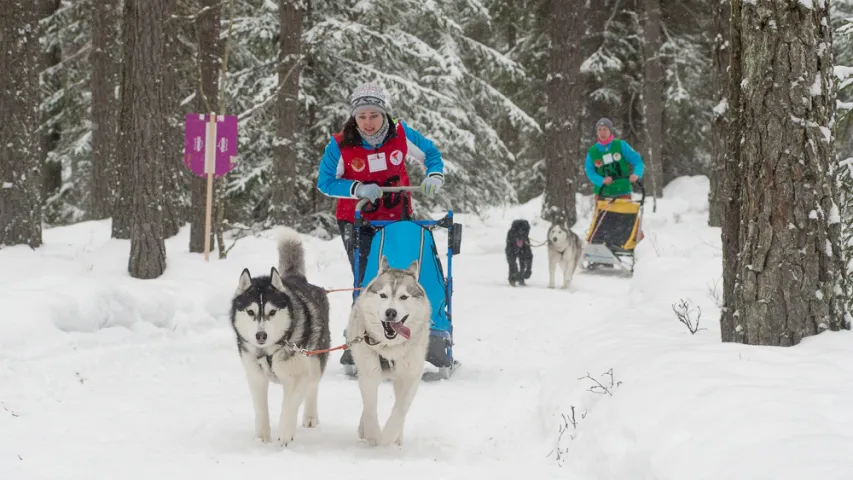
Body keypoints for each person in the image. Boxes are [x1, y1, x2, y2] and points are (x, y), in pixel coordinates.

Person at [316, 82, 445, 286]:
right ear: (354, 117)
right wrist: (358, 189)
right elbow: (325, 182)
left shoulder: (400, 133)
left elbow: (431, 153)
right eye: (362, 116)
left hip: (397, 216)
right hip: (357, 219)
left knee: (401, 279)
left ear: (384, 114)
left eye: (374, 115)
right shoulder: (340, 144)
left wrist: (435, 174)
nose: (368, 123)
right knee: (368, 280)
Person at [584, 117, 644, 199]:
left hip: (623, 192)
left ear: (610, 131)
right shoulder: (592, 152)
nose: (602, 132)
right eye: (600, 130)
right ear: (597, 132)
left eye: (605, 129)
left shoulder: (621, 145)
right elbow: (589, 171)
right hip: (602, 193)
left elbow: (637, 161)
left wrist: (637, 174)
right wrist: (601, 180)